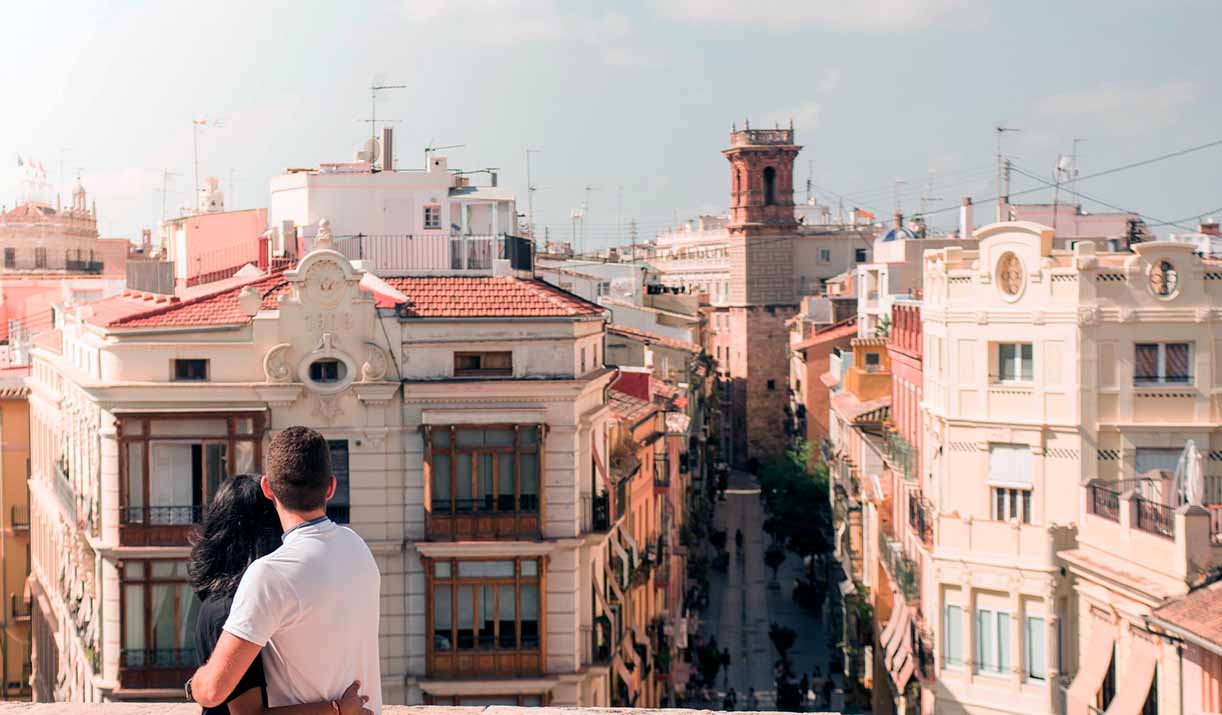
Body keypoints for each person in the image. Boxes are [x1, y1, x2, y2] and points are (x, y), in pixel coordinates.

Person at [188, 427, 383, 714]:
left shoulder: (269, 574)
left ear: (267, 488)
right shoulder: (357, 546)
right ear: (331, 487)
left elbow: (211, 691)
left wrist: (195, 683)